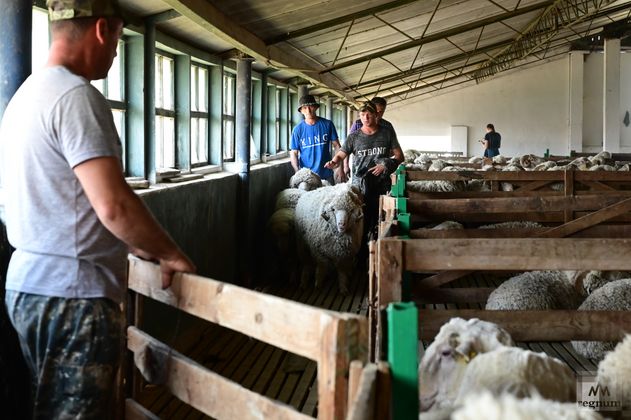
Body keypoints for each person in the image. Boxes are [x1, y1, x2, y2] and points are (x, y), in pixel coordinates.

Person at [0, 1, 196, 418]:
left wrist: (137, 245)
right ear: (103, 29)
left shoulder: (24, 99)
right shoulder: (76, 97)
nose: (115, 52)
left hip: (27, 289)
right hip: (74, 296)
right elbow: (113, 205)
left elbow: (65, 202)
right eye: (120, 39)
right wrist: (169, 252)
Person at [325, 101, 403, 238]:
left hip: (381, 185)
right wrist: (334, 162)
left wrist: (386, 164)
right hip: (359, 187)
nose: (365, 118)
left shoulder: (387, 133)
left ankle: (377, 250)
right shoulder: (354, 137)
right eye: (362, 115)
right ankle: (360, 252)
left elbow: (399, 156)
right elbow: (341, 155)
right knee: (359, 221)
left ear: (376, 115)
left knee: (380, 221)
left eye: (369, 115)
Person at [343, 96, 396, 182]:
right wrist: (345, 165)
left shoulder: (387, 126)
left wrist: (382, 157)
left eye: (381, 112)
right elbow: (348, 146)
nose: (378, 115)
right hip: (360, 173)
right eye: (376, 111)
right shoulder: (358, 124)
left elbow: (394, 150)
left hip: (380, 174)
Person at [290, 94, 340, 184]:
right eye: (304, 108)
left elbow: (337, 146)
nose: (308, 110)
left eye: (311, 106)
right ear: (301, 111)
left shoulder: (327, 124)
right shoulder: (297, 129)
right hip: (307, 176)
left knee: (329, 197)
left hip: (326, 173)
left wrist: (338, 165)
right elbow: (294, 153)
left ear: (316, 107)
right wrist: (297, 171)